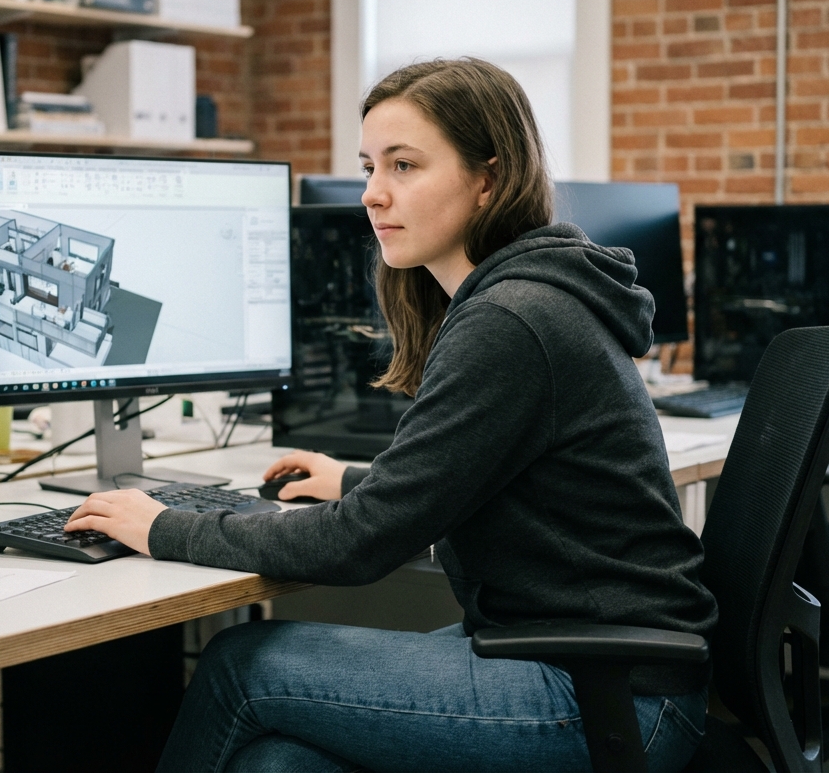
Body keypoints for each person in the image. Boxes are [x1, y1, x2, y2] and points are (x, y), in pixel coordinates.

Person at [65, 58, 718, 772]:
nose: (374, 194)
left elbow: (359, 546)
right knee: (275, 764)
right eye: (369, 166)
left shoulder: (512, 319)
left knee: (240, 664)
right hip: (579, 660)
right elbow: (484, 475)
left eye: (404, 166)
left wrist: (165, 527)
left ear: (488, 179)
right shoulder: (524, 298)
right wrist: (352, 480)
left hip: (606, 697)